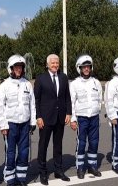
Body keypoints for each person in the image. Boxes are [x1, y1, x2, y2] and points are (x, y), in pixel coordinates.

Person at [0, 55, 36, 186]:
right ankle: (10, 179)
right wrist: (2, 125)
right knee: (11, 152)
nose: (18, 69)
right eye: (16, 67)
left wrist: (33, 122)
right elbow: (0, 107)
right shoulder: (4, 86)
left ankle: (21, 178)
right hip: (10, 125)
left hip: (25, 124)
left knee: (24, 152)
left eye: (20, 67)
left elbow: (32, 105)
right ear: (11, 69)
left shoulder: (27, 84)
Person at [34, 54, 72, 185]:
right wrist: (38, 116)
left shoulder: (63, 77)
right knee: (43, 145)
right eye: (53, 63)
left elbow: (67, 97)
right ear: (47, 64)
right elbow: (37, 100)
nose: (55, 65)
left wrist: (69, 113)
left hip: (60, 117)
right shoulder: (40, 79)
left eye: (57, 63)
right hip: (45, 118)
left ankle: (58, 170)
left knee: (58, 145)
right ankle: (43, 172)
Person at [69, 55, 102, 179]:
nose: (87, 69)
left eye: (88, 67)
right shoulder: (74, 84)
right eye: (84, 67)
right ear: (80, 68)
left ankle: (92, 166)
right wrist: (73, 119)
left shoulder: (96, 82)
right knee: (81, 143)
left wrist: (97, 111)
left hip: (94, 117)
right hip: (81, 118)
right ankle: (80, 167)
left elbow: (99, 100)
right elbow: (71, 103)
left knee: (94, 143)